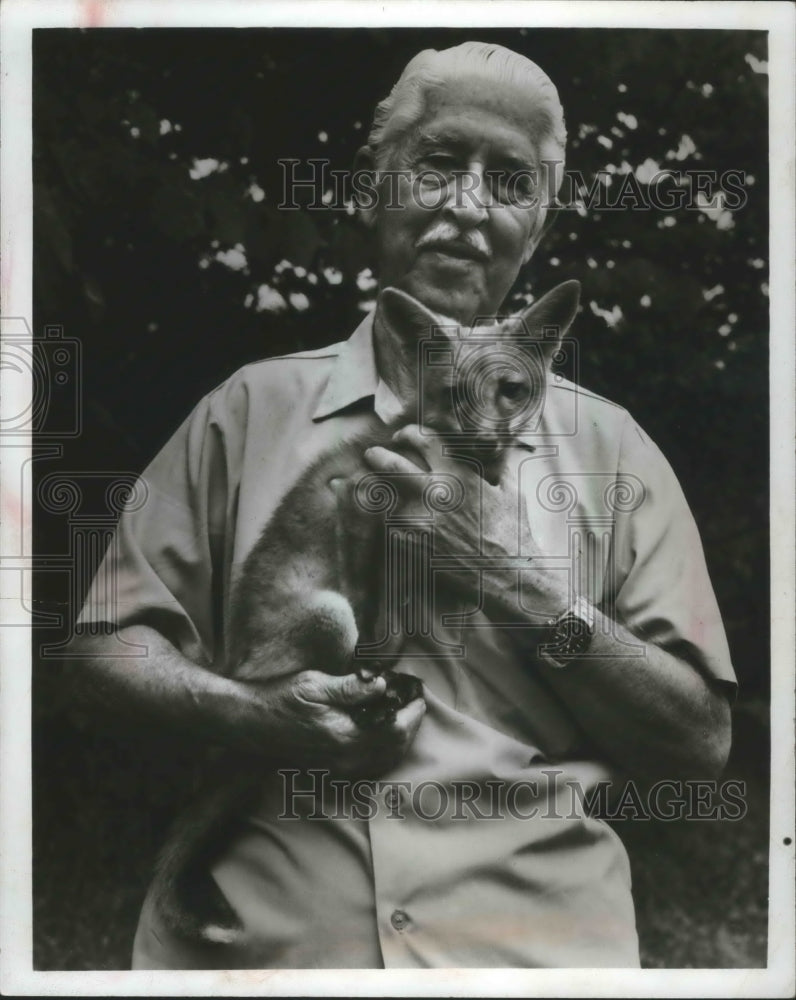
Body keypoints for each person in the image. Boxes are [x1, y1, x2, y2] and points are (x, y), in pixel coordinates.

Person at [71, 41, 735, 969]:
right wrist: (256, 716)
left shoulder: (613, 451)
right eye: (438, 164)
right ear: (372, 187)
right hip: (268, 950)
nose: (467, 205)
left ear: (538, 228)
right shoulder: (246, 413)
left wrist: (513, 583)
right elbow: (102, 656)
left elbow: (698, 740)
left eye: (508, 180)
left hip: (533, 957)